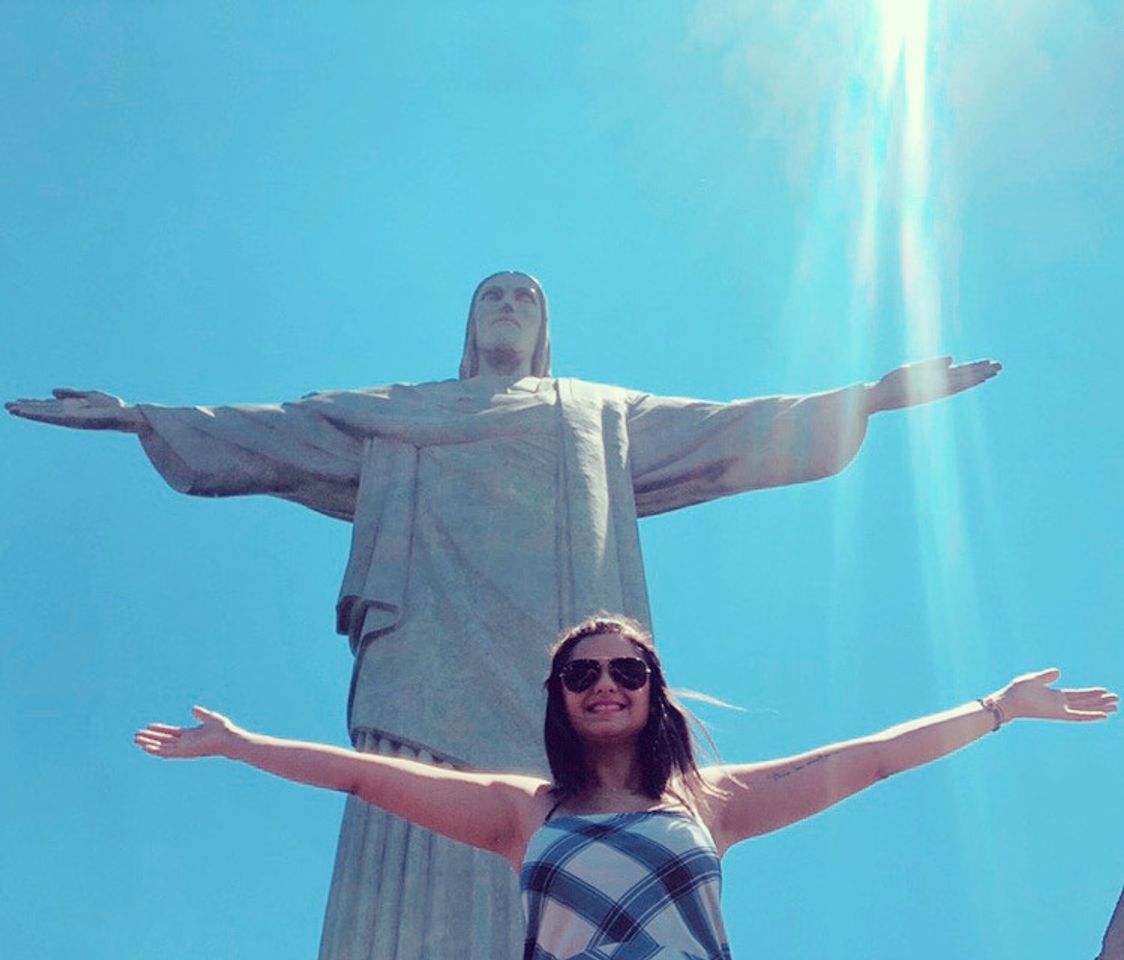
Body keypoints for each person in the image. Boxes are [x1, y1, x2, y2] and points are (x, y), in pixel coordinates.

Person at [9, 272, 1001, 959]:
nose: (509, 306)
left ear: (545, 325)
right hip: (424, 661)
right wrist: (143, 416)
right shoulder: (397, 409)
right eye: (492, 293)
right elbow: (277, 433)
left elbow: (729, 428)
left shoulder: (597, 413)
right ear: (469, 321)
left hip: (567, 636)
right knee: (409, 827)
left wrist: (869, 397)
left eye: (526, 295)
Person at [135, 613, 1116, 960]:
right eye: (582, 674)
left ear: (652, 691)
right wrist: (238, 743)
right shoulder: (524, 811)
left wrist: (995, 707)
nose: (604, 685)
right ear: (559, 699)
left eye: (625, 671)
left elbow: (866, 759)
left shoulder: (707, 800)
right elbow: (359, 773)